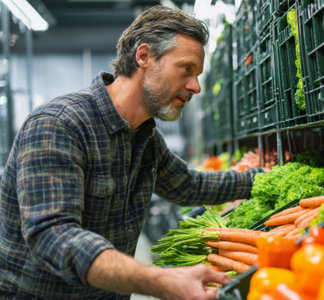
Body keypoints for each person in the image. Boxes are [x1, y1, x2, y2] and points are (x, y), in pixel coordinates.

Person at [0, 6, 262, 300]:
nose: (196, 87)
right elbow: (55, 236)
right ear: (144, 57)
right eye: (187, 69)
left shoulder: (145, 136)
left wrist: (263, 178)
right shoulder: (60, 124)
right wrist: (160, 280)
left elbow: (189, 185)